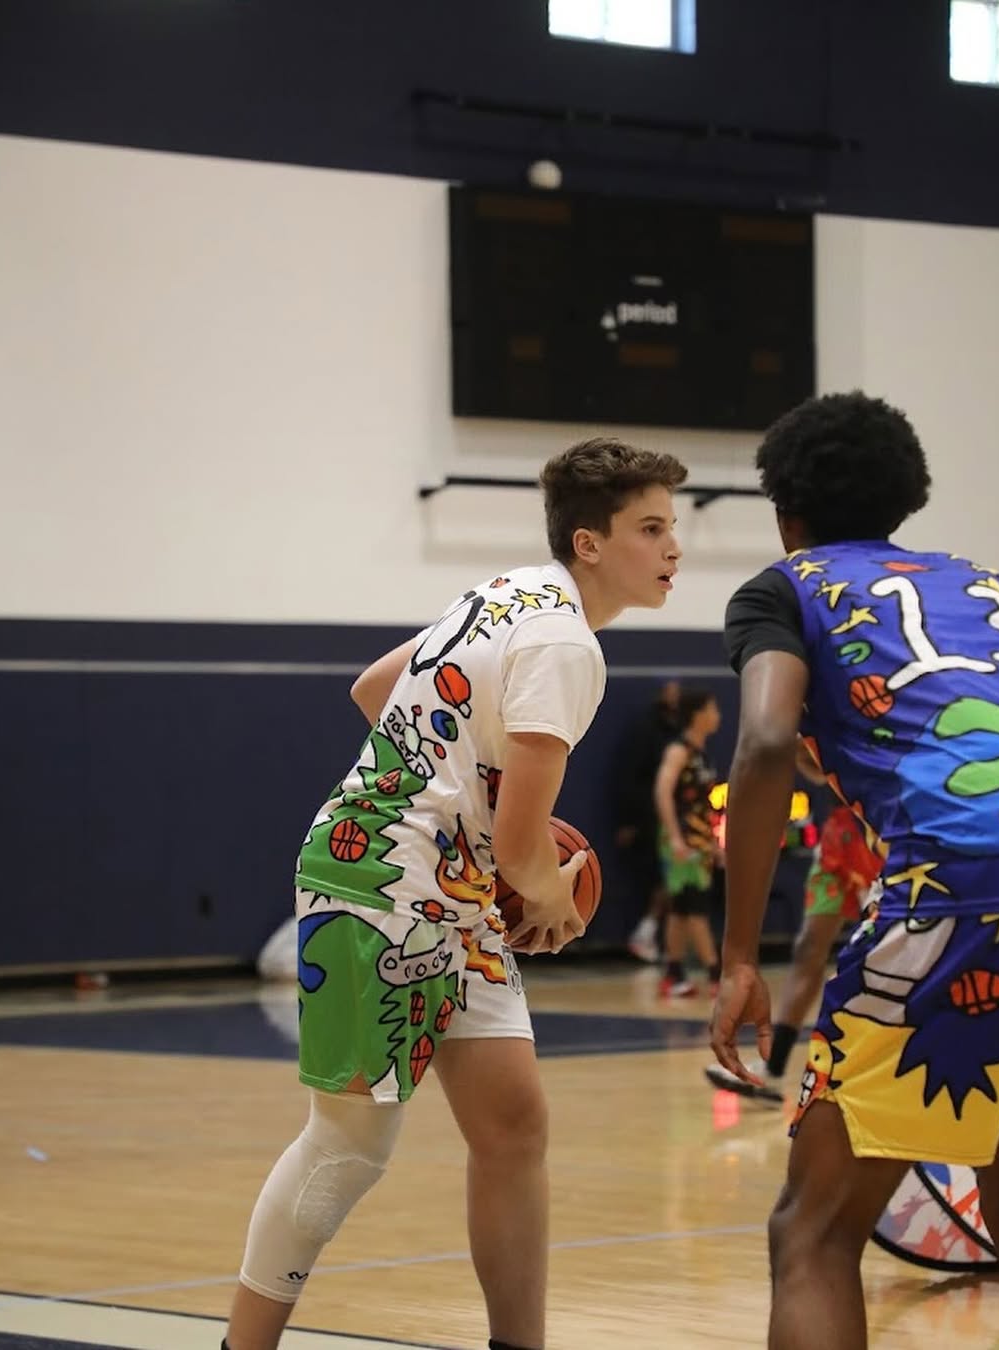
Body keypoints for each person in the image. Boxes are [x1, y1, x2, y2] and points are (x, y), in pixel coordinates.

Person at [224, 437, 686, 1350]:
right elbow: (521, 850)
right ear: (589, 543)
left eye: (672, 527)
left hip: (448, 885)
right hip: (379, 877)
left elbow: (375, 689)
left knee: (513, 1128)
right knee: (348, 1143)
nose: (673, 547)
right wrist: (552, 897)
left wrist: (468, 801)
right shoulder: (565, 644)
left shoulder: (510, 591)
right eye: (650, 528)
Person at [708, 390, 999, 1350]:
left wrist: (741, 956)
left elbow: (765, 740)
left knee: (811, 1233)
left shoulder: (785, 588)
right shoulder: (992, 589)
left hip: (957, 885)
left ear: (786, 515)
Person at [705, 739, 881, 1101]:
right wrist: (806, 746)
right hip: (839, 833)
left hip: (879, 831)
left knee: (879, 955)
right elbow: (812, 767)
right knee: (808, 947)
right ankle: (774, 1068)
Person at [653, 689, 723, 998]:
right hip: (681, 840)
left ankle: (673, 973)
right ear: (698, 715)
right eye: (713, 708)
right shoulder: (678, 750)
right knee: (695, 907)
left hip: (699, 839)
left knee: (681, 909)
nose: (718, 715)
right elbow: (662, 792)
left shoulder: (701, 753)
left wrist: (715, 842)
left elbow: (704, 806)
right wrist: (675, 837)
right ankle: (716, 973)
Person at [615, 679, 684, 963]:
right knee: (666, 880)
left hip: (677, 819)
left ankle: (668, 949)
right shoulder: (647, 731)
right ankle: (648, 934)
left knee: (676, 885)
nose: (675, 697)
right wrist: (629, 821)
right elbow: (631, 777)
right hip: (652, 818)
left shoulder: (678, 732)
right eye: (671, 693)